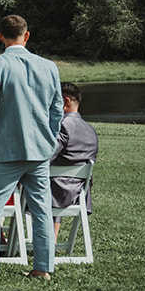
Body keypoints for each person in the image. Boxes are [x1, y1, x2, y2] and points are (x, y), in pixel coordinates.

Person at [0, 15, 63, 281]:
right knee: (42, 209)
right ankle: (42, 268)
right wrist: (50, 139)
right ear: (27, 35)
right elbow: (57, 109)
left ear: (0, 37)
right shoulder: (49, 66)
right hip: (40, 150)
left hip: (6, 152)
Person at [50, 82, 98, 224]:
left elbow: (47, 157)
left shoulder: (62, 126)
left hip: (55, 193)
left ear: (65, 102)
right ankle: (52, 240)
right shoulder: (90, 130)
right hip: (79, 193)